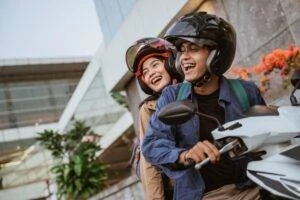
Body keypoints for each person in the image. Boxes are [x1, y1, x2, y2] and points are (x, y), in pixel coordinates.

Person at [142, 12, 266, 200]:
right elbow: (151, 145)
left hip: (252, 188)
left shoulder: (246, 91)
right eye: (182, 50)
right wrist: (185, 155)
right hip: (203, 196)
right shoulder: (172, 96)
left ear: (216, 53)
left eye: (193, 48)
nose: (184, 57)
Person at [125, 37, 182, 200]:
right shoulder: (149, 109)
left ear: (170, 62)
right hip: (180, 188)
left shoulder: (193, 89)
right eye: (145, 72)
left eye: (155, 65)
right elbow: (149, 161)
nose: (151, 73)